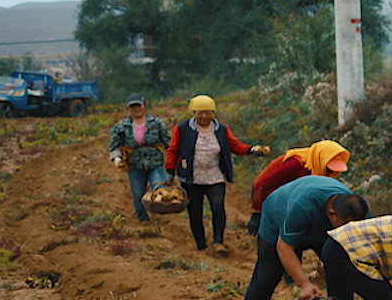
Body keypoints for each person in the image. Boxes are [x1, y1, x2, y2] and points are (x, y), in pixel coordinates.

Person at [235, 176, 371, 300]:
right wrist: (304, 283)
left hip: (321, 227)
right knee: (266, 276)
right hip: (278, 222)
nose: (349, 231)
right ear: (332, 214)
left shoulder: (357, 208)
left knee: (339, 267)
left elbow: (371, 245)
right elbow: (283, 248)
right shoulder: (303, 205)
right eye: (346, 226)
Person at [164, 94, 269, 256]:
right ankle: (201, 245)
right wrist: (170, 171)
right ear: (194, 113)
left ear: (213, 113)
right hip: (191, 178)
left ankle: (218, 241)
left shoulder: (221, 129)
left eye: (208, 112)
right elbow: (173, 150)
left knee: (218, 208)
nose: (204, 116)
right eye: (200, 113)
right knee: (195, 212)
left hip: (215, 176)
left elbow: (235, 145)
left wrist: (251, 150)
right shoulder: (182, 129)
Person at [246, 141, 351, 237]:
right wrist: (256, 213)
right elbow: (262, 185)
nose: (331, 174)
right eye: (328, 169)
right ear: (321, 159)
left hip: (288, 196)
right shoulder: (296, 165)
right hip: (265, 194)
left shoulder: (317, 168)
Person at [107, 94, 170, 222]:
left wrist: (174, 162)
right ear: (129, 109)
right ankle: (143, 220)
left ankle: (161, 219)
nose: (136, 109)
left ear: (144, 106)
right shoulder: (122, 126)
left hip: (155, 164)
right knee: (138, 195)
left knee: (158, 192)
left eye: (139, 105)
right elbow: (114, 146)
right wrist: (117, 159)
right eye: (132, 106)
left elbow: (169, 143)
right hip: (135, 165)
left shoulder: (157, 123)